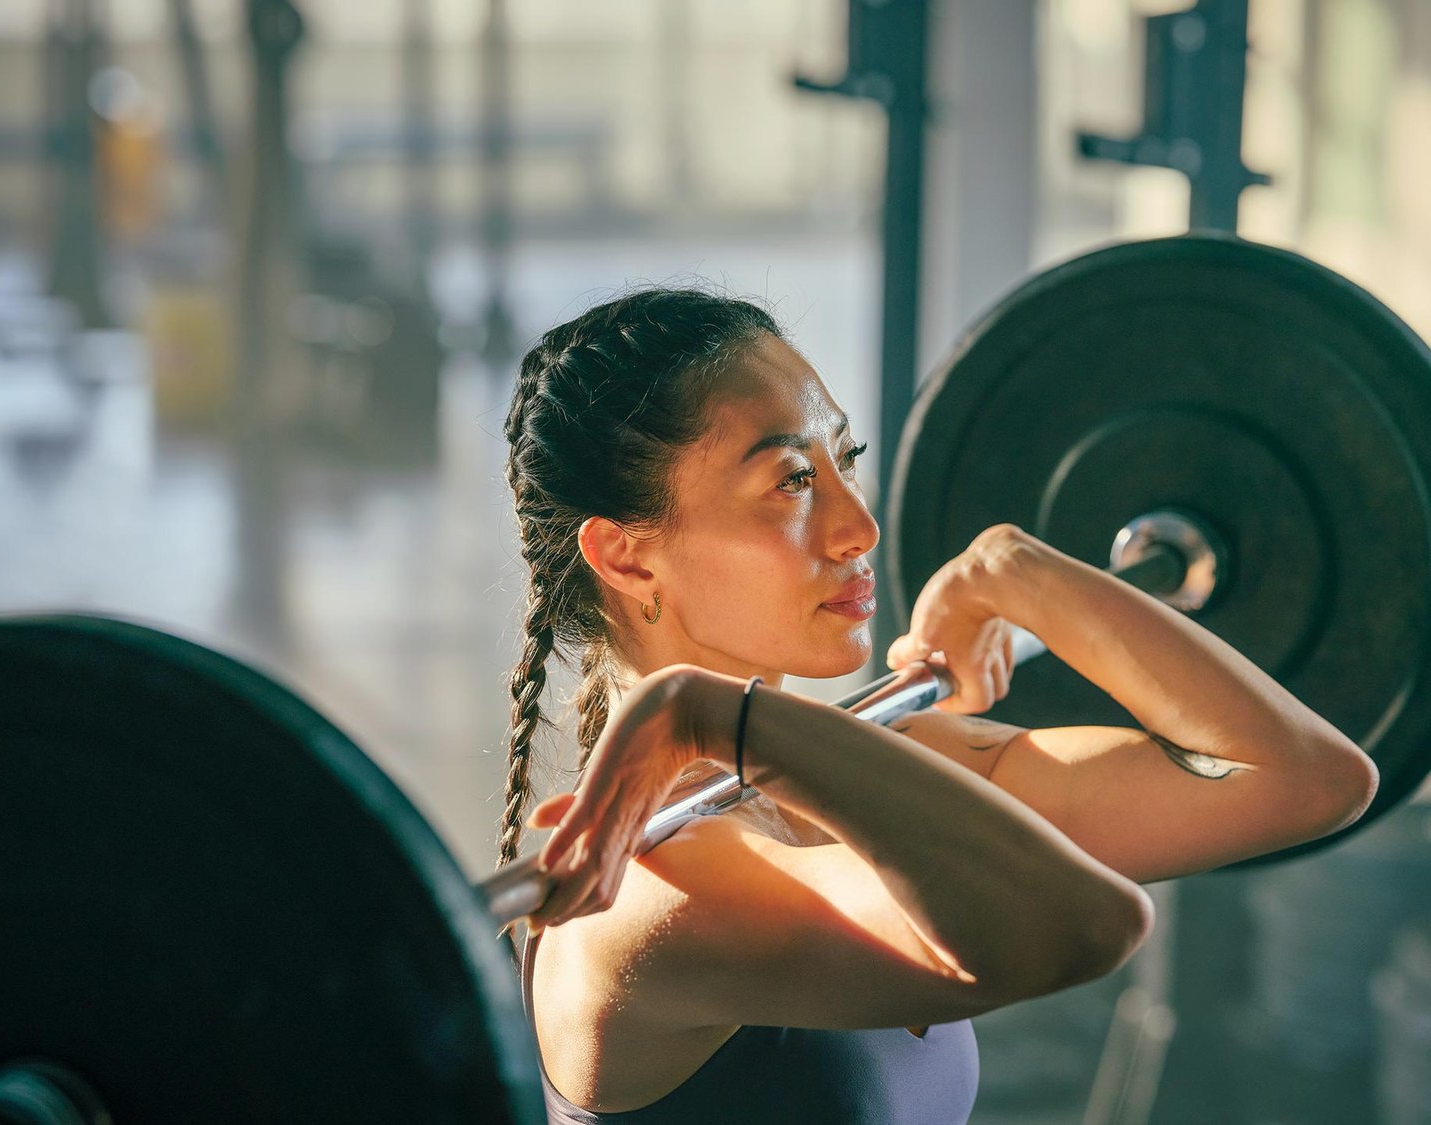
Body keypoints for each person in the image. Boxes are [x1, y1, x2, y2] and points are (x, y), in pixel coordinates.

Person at [496, 288, 1380, 1122]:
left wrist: (1022, 573)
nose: (860, 527)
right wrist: (714, 716)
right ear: (627, 557)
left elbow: (1306, 779)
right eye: (793, 480)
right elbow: (1083, 924)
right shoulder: (643, 902)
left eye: (846, 461)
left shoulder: (897, 755)